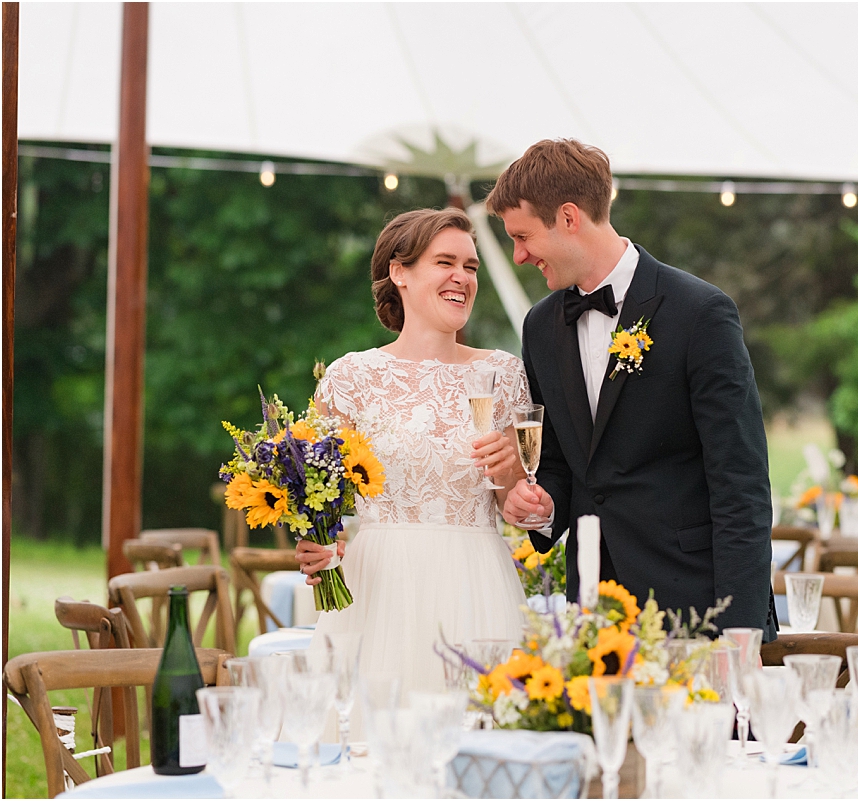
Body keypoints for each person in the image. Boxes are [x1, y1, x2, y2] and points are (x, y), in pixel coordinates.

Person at [492, 139, 777, 638]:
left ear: (568, 217)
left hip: (695, 609)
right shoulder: (540, 326)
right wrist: (543, 507)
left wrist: (740, 632)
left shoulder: (699, 313)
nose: (518, 256)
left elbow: (741, 485)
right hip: (594, 611)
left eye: (522, 236)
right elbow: (560, 462)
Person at [295, 208, 527, 690]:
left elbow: (517, 507)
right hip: (377, 592)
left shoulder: (503, 374)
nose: (462, 277)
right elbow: (316, 494)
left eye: (470, 266)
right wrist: (319, 540)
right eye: (446, 262)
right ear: (399, 272)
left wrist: (511, 476)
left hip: (476, 586)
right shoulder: (350, 377)